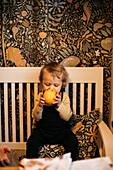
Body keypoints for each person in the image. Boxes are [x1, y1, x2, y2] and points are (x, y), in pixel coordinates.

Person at [26, 62, 78, 161]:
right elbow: (36, 117)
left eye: (56, 85)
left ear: (62, 85)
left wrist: (59, 105)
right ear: (41, 83)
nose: (51, 88)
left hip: (61, 132)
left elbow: (67, 117)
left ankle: (69, 164)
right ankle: (31, 165)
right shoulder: (40, 97)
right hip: (43, 131)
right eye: (47, 84)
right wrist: (39, 107)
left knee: (72, 141)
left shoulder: (64, 97)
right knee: (31, 143)